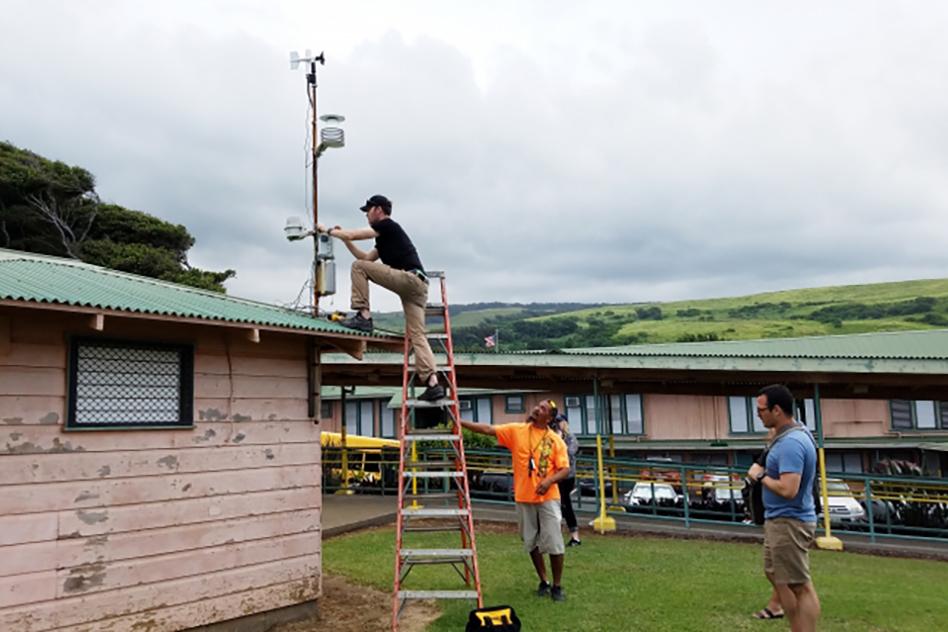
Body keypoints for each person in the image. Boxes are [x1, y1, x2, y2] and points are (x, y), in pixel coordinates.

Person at [318, 194, 443, 401]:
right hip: (418, 287)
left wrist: (329, 231)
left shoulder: (388, 225)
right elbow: (365, 259)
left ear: (378, 209)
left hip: (409, 280)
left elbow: (356, 237)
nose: (366, 215)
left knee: (358, 269)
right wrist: (344, 240)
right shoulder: (384, 238)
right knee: (418, 335)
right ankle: (432, 382)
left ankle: (363, 316)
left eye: (368, 210)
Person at [460, 400, 571, 601]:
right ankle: (543, 581)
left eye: (543, 408)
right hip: (523, 497)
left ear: (550, 417)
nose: (537, 408)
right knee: (530, 542)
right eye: (538, 406)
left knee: (554, 542)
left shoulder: (556, 441)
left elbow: (565, 469)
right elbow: (487, 429)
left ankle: (557, 586)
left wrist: (548, 481)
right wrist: (459, 422)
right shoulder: (517, 430)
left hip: (548, 498)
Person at [747, 385, 821, 631]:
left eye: (761, 410)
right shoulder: (789, 433)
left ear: (777, 410)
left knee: (800, 585)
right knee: (778, 576)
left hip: (791, 521)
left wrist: (761, 476)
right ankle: (794, 623)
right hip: (779, 520)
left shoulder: (791, 443)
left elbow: (789, 490)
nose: (758, 414)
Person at [549, 414, 581, 546]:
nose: (557, 425)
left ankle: (575, 536)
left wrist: (560, 439)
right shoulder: (550, 437)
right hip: (554, 476)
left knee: (565, 504)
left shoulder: (570, 438)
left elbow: (570, 453)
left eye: (560, 422)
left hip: (567, 476)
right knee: (554, 506)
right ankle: (555, 534)